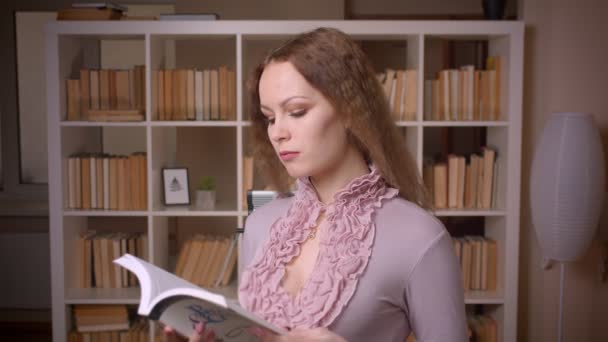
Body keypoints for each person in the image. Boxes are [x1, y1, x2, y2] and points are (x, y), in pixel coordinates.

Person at [164, 27, 467, 342]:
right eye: (270, 117)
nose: (277, 132)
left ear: (351, 110)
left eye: (296, 112)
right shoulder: (260, 225)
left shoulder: (420, 237)